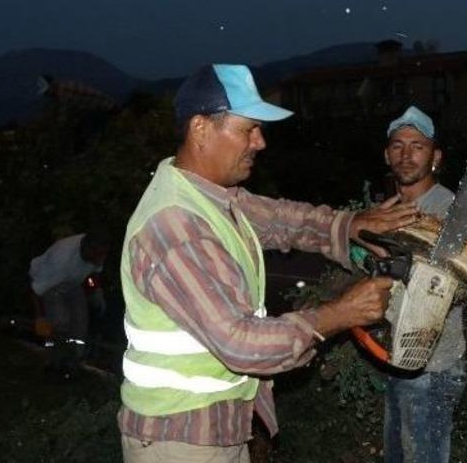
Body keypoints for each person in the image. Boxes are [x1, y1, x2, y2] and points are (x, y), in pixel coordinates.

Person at [117, 63, 419, 462]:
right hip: (179, 441)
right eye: (248, 129)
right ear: (201, 129)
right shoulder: (176, 228)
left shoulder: (212, 196)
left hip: (212, 431)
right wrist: (339, 314)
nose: (260, 142)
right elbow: (241, 344)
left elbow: (281, 219)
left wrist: (349, 226)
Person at [381, 106, 467, 463]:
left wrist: (418, 273)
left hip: (433, 367)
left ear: (435, 156)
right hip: (395, 360)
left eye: (417, 145)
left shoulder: (449, 210)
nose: (406, 154)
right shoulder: (385, 211)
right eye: (398, 145)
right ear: (387, 155)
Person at [29, 231, 109, 377]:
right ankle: (53, 362)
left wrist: (96, 291)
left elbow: (93, 273)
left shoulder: (96, 252)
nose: (101, 259)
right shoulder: (61, 260)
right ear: (87, 250)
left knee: (80, 321)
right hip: (50, 284)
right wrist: (39, 318)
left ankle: (74, 361)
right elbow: (36, 289)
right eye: (98, 255)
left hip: (73, 283)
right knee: (60, 321)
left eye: (103, 254)